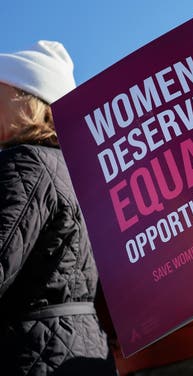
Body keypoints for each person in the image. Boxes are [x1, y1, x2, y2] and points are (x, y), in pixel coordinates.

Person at [0, 41, 115, 375]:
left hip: (31, 355)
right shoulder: (75, 173)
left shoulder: (25, 163)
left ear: (24, 98)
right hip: (84, 351)